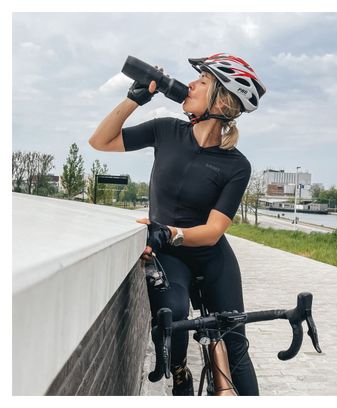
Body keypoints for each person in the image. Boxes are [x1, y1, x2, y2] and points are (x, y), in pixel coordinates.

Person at [88, 53, 266, 396]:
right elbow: (100, 142)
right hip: (169, 256)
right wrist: (134, 99)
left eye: (202, 82)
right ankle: (180, 371)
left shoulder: (237, 165)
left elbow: (214, 230)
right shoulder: (166, 130)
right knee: (174, 321)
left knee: (236, 344)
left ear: (221, 99)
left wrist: (170, 231)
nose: (192, 84)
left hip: (212, 256)